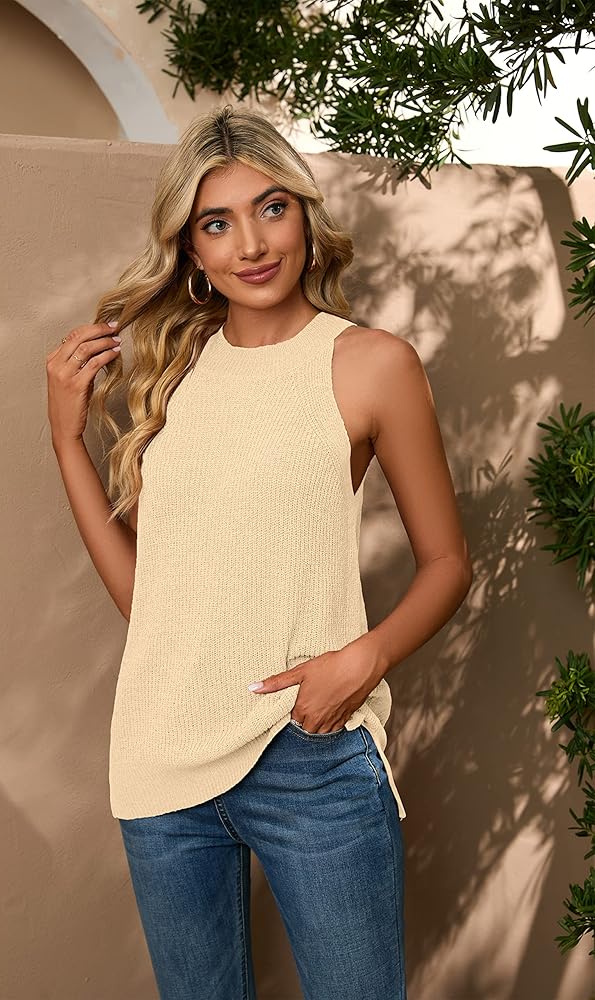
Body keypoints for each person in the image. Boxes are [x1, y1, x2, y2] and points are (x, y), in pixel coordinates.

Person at [46, 104, 472, 1000]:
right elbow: (147, 603)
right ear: (189, 250)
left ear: (305, 217)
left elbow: (446, 564)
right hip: (161, 754)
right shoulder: (173, 373)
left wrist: (361, 662)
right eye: (216, 222)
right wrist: (65, 442)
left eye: (271, 208)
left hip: (306, 755)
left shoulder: (370, 363)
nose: (250, 243)